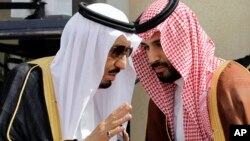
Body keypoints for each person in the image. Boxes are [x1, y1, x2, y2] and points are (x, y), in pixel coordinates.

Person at [0, 2, 141, 141]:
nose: (123, 64)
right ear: (86, 46)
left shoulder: (111, 97)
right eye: (116, 51)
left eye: (126, 52)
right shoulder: (31, 80)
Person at [132, 0, 250, 140]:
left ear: (184, 39)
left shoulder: (229, 82)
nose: (152, 58)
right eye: (146, 47)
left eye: (159, 44)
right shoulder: (161, 97)